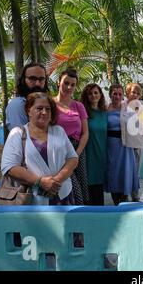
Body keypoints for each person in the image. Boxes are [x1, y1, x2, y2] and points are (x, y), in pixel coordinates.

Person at [1, 92, 78, 205]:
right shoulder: (17, 133)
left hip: (63, 194)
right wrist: (40, 182)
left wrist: (57, 180)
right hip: (33, 199)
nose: (44, 112)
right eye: (39, 108)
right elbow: (9, 167)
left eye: (48, 109)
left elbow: (73, 158)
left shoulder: (58, 131)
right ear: (29, 110)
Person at [55, 67, 89, 205]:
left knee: (80, 184)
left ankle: (80, 215)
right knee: (68, 185)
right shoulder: (50, 104)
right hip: (58, 150)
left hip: (77, 149)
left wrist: (77, 153)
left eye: (73, 84)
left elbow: (85, 133)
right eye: (66, 83)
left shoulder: (78, 106)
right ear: (59, 82)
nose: (69, 87)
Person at [106, 84, 139, 205]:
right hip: (111, 145)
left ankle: (124, 200)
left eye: (120, 94)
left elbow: (137, 126)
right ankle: (116, 201)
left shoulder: (127, 108)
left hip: (125, 145)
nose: (117, 96)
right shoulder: (105, 108)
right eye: (115, 93)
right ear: (110, 94)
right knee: (113, 172)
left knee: (125, 171)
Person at [81, 83, 108, 206]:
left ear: (101, 95)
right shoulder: (84, 113)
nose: (93, 95)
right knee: (88, 188)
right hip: (88, 153)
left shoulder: (104, 113)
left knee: (99, 188)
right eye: (90, 93)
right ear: (86, 96)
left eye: (96, 92)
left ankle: (100, 217)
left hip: (102, 153)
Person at [6, 62, 49, 131]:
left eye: (41, 79)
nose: (37, 84)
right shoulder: (18, 104)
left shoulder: (46, 104)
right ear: (23, 81)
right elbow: (21, 137)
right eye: (32, 79)